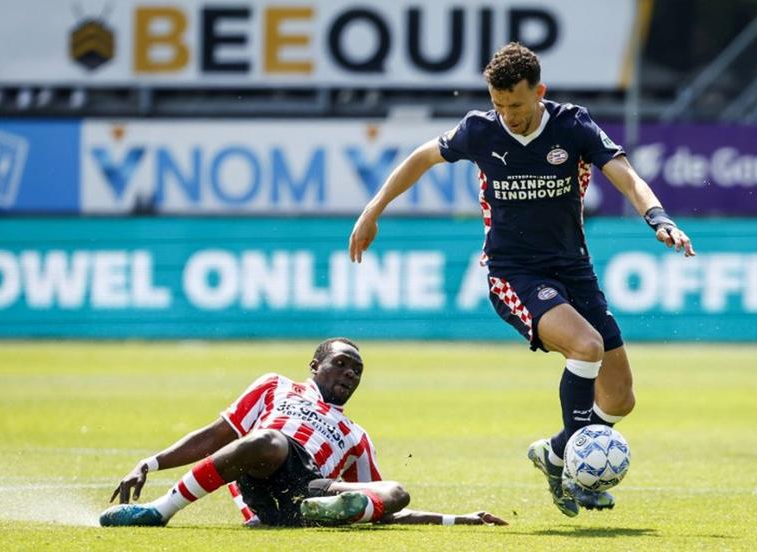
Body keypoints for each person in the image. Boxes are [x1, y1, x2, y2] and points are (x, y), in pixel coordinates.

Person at [348, 43, 696, 518]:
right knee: (586, 346)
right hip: (513, 272)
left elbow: (626, 175)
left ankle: (555, 454)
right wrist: (372, 211)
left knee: (619, 399)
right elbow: (422, 157)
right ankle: (575, 471)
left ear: (539, 92)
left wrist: (658, 218)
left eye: (516, 104)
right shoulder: (479, 130)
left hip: (574, 269)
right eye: (499, 104)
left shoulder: (572, 126)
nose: (508, 115)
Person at [99, 338, 507, 528]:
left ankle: (328, 512)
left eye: (357, 371)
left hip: (308, 494)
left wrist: (458, 520)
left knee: (396, 490)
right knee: (268, 441)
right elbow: (216, 435)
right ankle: (159, 511)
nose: (350, 373)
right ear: (314, 366)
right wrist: (150, 463)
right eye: (342, 363)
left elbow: (388, 508)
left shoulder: (356, 435)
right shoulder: (275, 386)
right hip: (264, 475)